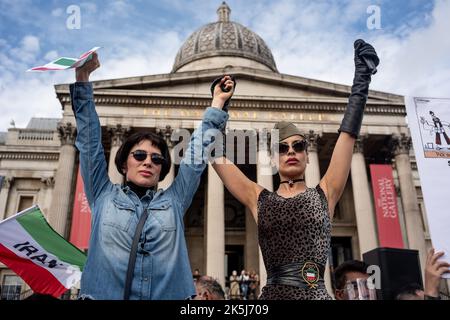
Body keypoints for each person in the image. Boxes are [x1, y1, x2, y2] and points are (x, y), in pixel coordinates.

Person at [211, 40, 379, 299]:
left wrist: (361, 82)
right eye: (281, 148)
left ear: (307, 156)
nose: (290, 151)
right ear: (273, 157)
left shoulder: (325, 193)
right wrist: (219, 104)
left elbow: (348, 136)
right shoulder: (259, 198)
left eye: (298, 146)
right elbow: (214, 153)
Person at [71, 52, 235, 299]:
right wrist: (82, 78)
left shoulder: (174, 202)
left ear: (162, 169)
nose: (148, 161)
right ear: (124, 164)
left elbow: (195, 157)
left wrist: (217, 104)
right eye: (139, 155)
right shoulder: (102, 195)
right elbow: (89, 142)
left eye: (157, 158)